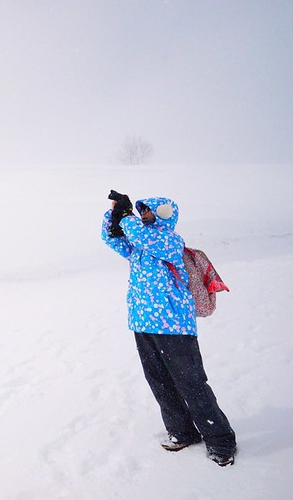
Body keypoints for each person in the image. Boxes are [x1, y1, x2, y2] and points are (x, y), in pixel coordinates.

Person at [101, 190, 237, 466]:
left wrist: (127, 216)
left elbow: (141, 235)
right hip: (143, 323)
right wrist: (114, 214)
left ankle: (221, 441)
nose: (145, 215)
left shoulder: (168, 240)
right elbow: (111, 238)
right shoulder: (138, 244)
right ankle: (182, 432)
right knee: (161, 383)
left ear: (164, 214)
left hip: (174, 325)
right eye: (142, 211)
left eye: (150, 211)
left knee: (191, 384)